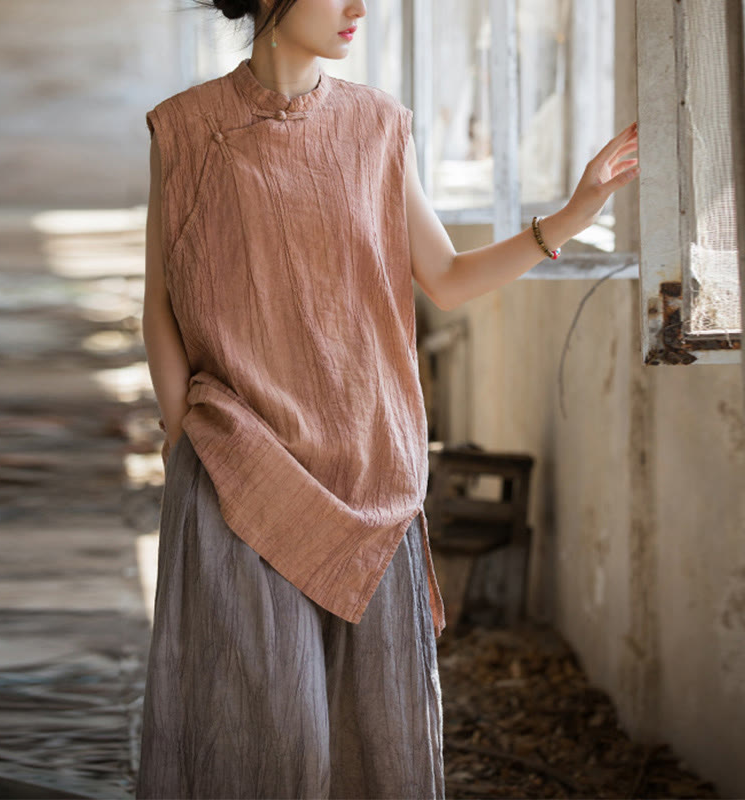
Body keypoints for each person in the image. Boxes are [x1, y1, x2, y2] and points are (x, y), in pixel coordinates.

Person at [135, 1, 640, 798]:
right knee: (261, 731)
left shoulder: (378, 126)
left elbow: (445, 276)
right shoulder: (185, 127)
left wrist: (571, 217)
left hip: (372, 473)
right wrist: (182, 436)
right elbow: (160, 302)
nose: (358, 7)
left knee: (375, 738)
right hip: (239, 469)